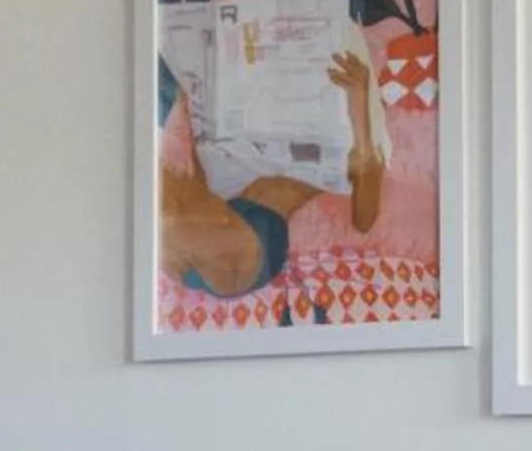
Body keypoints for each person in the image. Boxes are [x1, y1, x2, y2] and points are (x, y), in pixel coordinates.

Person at [159, 46, 384, 302]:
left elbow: (365, 219)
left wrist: (360, 102)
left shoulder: (352, 138)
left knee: (165, 192)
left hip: (245, 255)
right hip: (235, 214)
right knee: (174, 108)